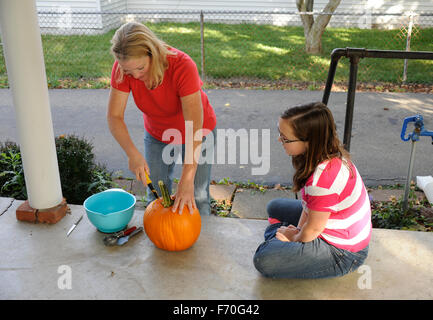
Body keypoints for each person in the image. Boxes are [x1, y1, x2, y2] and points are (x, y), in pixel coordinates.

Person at [108, 22, 217, 215]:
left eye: (140, 68)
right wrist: (132, 154)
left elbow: (194, 124)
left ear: (153, 53)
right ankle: (160, 235)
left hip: (196, 132)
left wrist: (187, 177)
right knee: (156, 196)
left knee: (197, 197)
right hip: (157, 133)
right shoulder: (122, 68)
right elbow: (115, 116)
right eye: (128, 72)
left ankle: (202, 242)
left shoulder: (182, 65)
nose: (135, 76)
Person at [253, 102, 371, 279]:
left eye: (285, 138)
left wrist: (294, 237)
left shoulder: (322, 180)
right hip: (329, 224)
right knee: (274, 206)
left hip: (344, 253)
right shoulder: (329, 155)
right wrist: (298, 230)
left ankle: (279, 238)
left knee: (263, 259)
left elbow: (314, 229)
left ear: (309, 142)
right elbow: (308, 208)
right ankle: (280, 236)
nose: (280, 140)